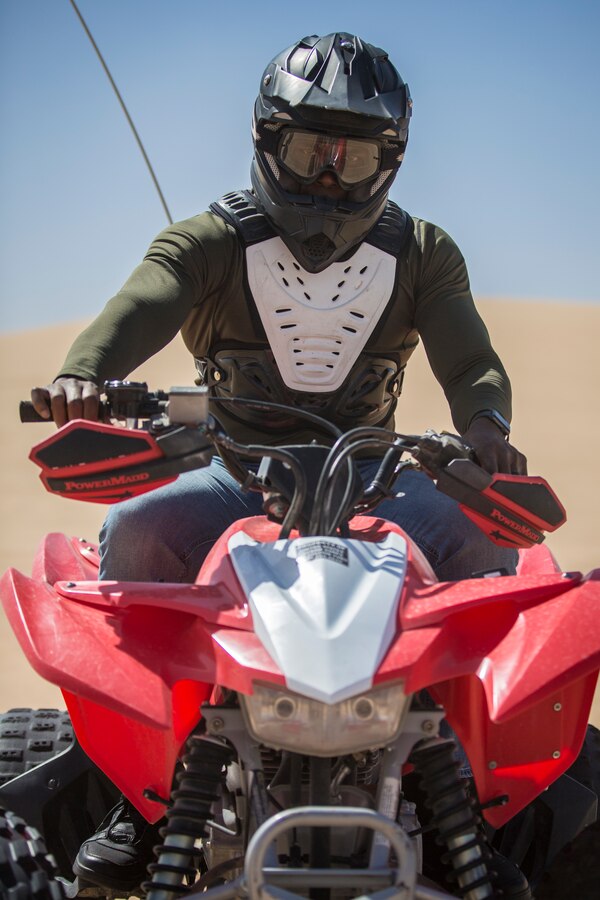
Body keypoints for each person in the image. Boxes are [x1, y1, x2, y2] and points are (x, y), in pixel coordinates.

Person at [31, 32, 528, 894]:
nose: (330, 176)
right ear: (267, 142)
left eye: (354, 153)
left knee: (489, 557)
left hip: (380, 477)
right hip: (232, 471)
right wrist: (86, 372)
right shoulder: (209, 241)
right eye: (309, 149)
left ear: (391, 159)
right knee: (134, 531)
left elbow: (470, 361)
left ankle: (465, 804)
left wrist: (486, 422)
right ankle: (135, 791)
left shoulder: (426, 254)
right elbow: (139, 305)